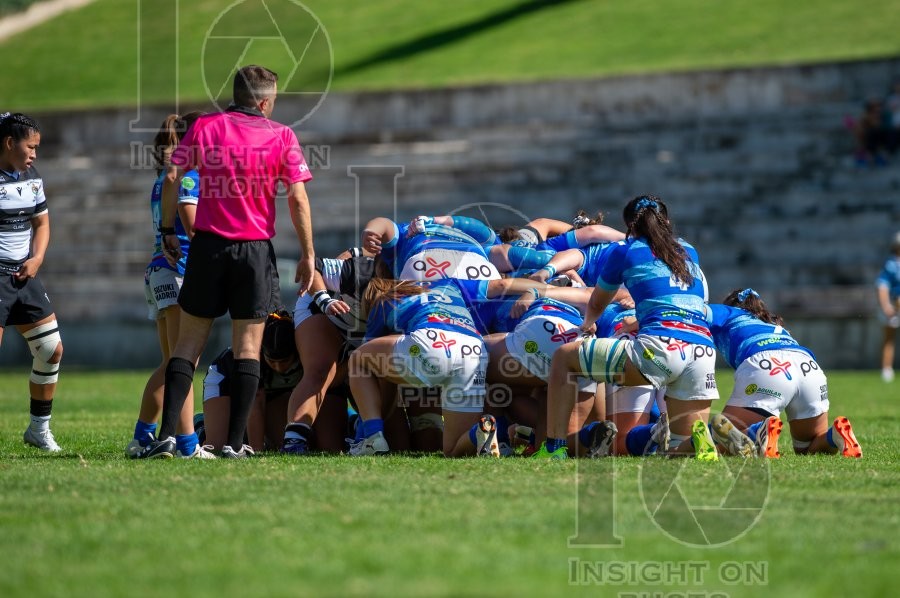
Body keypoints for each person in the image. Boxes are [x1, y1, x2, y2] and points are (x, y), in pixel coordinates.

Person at [136, 64, 315, 459]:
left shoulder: (206, 127)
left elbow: (171, 177)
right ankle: (235, 444)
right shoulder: (282, 134)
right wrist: (308, 253)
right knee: (248, 349)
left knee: (187, 345)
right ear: (266, 101)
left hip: (207, 248)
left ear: (235, 95)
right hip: (253, 251)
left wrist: (167, 231)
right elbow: (298, 198)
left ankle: (165, 438)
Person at [536, 195, 719, 460]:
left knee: (565, 357)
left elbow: (598, 302)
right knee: (679, 446)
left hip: (659, 347)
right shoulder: (689, 250)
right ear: (666, 221)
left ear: (629, 226)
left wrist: (587, 325)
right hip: (702, 350)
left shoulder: (624, 250)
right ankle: (699, 439)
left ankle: (552, 448)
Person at [126, 112, 213, 459]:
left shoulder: (164, 177)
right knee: (183, 361)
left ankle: (143, 437)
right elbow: (191, 227)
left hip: (158, 271)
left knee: (171, 362)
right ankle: (186, 445)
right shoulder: (188, 176)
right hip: (179, 271)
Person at [348, 277, 494, 457]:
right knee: (452, 450)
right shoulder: (446, 285)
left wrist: (363, 430)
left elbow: (368, 362)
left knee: (358, 359)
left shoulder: (383, 299)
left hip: (433, 342)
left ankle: (371, 440)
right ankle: (480, 431)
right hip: (474, 349)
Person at [708, 289, 862, 458]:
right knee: (807, 447)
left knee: (717, 441)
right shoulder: (773, 322)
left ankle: (757, 432)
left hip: (768, 364)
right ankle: (834, 436)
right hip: (809, 367)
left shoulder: (729, 312)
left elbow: (691, 310)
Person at [0, 112, 64, 453]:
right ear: (10, 143)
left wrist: (37, 258)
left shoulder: (32, 177)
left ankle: (39, 429)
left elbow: (41, 224)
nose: (35, 154)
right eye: (31, 146)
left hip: (24, 276)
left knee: (51, 349)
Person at [876, 232, 900, 382]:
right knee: (889, 338)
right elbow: (882, 286)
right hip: (894, 304)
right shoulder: (891, 265)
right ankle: (886, 368)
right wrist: (886, 306)